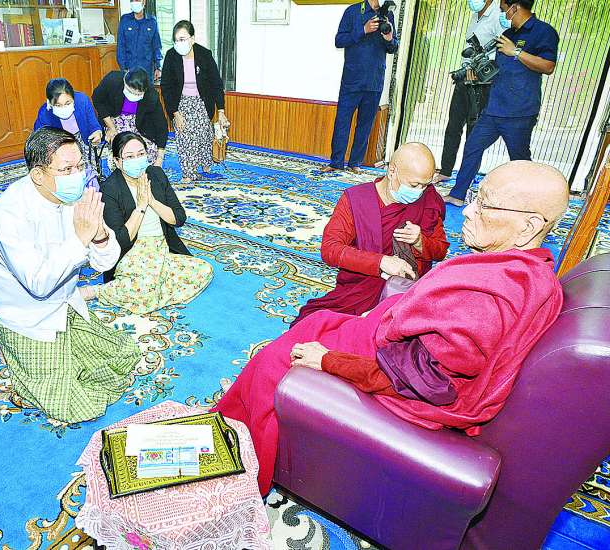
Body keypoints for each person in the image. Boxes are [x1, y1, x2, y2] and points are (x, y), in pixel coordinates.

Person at [214, 160, 569, 496]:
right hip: (392, 341)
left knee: (273, 363)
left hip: (395, 370)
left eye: (484, 204)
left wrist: (328, 361)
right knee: (319, 320)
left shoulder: (489, 300)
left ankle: (236, 468)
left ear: (528, 227)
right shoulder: (523, 269)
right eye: (474, 197)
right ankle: (242, 407)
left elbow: (427, 381)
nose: (468, 210)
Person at [0, 127, 140, 424]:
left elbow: (106, 262)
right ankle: (15, 354)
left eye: (80, 166)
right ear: (38, 175)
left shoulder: (75, 197)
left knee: (124, 355)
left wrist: (99, 237)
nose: (77, 176)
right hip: (26, 315)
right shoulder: (8, 213)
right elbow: (39, 284)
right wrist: (80, 238)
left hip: (66, 304)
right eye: (67, 169)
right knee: (75, 407)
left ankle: (42, 363)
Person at [292, 143, 448, 326]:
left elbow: (440, 251)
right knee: (311, 325)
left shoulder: (429, 199)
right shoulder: (357, 200)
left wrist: (420, 241)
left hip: (406, 293)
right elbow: (330, 249)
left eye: (425, 185)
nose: (420, 191)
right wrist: (381, 262)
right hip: (359, 289)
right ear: (392, 171)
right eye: (414, 185)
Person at [82, 131, 212, 313]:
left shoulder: (156, 174)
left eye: (141, 154)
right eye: (129, 156)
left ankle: (148, 287)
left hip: (163, 248)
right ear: (118, 161)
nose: (137, 160)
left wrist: (152, 201)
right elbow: (120, 240)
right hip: (132, 252)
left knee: (204, 270)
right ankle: (98, 291)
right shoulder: (110, 189)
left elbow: (179, 218)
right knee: (145, 290)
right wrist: (141, 206)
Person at [445, 0, 558, 206]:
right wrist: (479, 75)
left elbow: (548, 66)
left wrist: (516, 52)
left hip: (520, 112)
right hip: (493, 108)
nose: (504, 16)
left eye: (505, 10)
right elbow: (500, 70)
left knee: (520, 160)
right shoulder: (508, 35)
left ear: (514, 7)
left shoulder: (543, 31)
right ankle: (457, 195)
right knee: (472, 146)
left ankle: (527, 204)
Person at [323, 0, 398, 174]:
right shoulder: (352, 11)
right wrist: (363, 30)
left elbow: (393, 47)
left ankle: (355, 163)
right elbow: (339, 40)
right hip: (352, 79)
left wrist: (389, 38)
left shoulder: (388, 15)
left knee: (365, 125)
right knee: (342, 122)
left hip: (374, 81)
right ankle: (336, 162)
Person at [434, 0, 504, 184]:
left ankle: (466, 177)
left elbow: (503, 51)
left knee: (474, 133)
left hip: (483, 85)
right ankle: (446, 170)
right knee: (453, 127)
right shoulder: (475, 15)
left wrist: (482, 72)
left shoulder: (498, 16)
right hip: (465, 79)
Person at [160, 20, 230, 182]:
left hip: (202, 101)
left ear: (192, 38)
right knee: (185, 136)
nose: (179, 43)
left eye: (182, 39)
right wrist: (175, 113)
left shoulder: (204, 54)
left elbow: (216, 83)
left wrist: (221, 111)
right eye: (176, 40)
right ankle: (188, 173)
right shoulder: (171, 56)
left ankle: (205, 166)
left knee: (203, 135)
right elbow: (166, 87)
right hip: (180, 103)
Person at [93, 68, 168, 168]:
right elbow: (97, 99)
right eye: (130, 91)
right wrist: (110, 127)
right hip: (115, 119)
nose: (133, 96)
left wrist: (160, 158)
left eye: (138, 94)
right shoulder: (113, 80)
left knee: (145, 154)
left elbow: (161, 125)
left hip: (139, 124)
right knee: (121, 151)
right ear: (125, 82)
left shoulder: (151, 95)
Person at [34, 78, 102, 162]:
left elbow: (93, 123)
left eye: (68, 103)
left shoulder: (82, 101)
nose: (64, 108)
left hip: (82, 137)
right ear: (50, 103)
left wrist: (97, 132)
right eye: (58, 105)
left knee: (89, 164)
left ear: (73, 98)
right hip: (59, 144)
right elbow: (40, 140)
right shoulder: (44, 113)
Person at [116, 0, 162, 83]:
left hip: (147, 69)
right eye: (132, 0)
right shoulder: (125, 20)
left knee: (148, 91)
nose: (135, 2)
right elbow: (120, 46)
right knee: (131, 91)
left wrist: (158, 67)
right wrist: (123, 68)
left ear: (144, 2)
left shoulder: (152, 21)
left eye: (137, 0)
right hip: (130, 69)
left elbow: (156, 46)